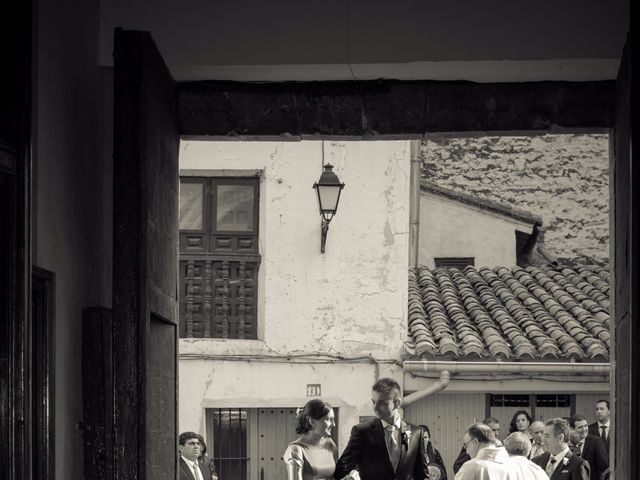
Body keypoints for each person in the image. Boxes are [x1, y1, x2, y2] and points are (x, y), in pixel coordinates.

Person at [334, 377, 429, 480]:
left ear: (397, 403)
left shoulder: (416, 432)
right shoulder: (362, 432)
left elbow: (422, 475)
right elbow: (342, 467)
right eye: (374, 402)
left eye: (382, 403)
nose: (375, 408)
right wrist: (352, 476)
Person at [282, 399, 338, 480]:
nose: (333, 424)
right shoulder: (296, 449)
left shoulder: (330, 444)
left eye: (333, 419)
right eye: (329, 419)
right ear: (312, 421)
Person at [569, 415, 608, 480]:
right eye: (580, 427)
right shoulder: (568, 443)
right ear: (572, 429)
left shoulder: (596, 442)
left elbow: (604, 467)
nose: (584, 429)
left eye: (585, 426)